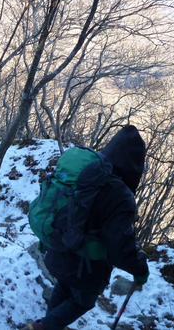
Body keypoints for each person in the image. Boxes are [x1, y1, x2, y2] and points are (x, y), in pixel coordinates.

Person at [22, 125, 149, 330]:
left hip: (59, 250)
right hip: (85, 267)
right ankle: (42, 327)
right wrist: (140, 268)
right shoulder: (120, 194)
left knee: (64, 286)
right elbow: (119, 247)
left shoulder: (87, 176)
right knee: (83, 301)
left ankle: (47, 326)